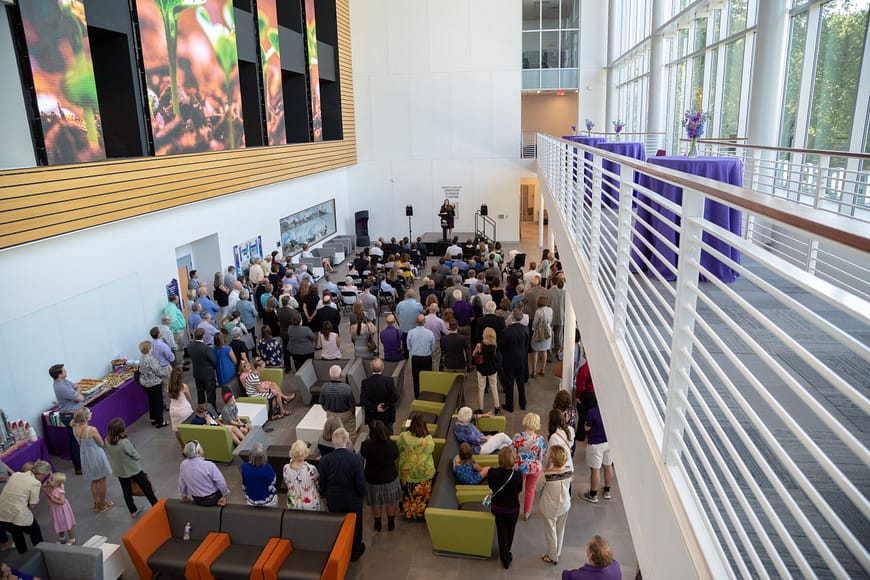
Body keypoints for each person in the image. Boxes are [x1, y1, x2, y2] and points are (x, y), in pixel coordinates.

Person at [318, 428, 366, 561]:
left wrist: (323, 494)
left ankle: (340, 550)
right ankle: (354, 551)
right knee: (355, 525)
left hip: (334, 498)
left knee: (338, 524)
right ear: (347, 441)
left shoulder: (325, 460)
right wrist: (361, 495)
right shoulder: (356, 459)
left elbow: (323, 481)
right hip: (353, 499)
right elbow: (360, 482)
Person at [105, 418, 159, 518]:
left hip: (120, 471)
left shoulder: (107, 441)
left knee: (126, 491)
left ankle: (133, 511)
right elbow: (136, 455)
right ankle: (156, 506)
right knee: (147, 487)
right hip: (133, 469)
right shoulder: (124, 442)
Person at [0, 461, 51, 554]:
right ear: (41, 474)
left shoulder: (16, 475)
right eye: (45, 475)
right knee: (35, 531)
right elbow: (32, 505)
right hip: (17, 512)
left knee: (16, 533)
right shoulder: (35, 483)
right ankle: (41, 551)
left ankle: (23, 553)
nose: (44, 477)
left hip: (2, 511)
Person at [359, 420, 401, 532]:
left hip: (373, 479)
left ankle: (377, 523)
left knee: (375, 502)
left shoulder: (366, 445)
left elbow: (363, 456)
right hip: (390, 477)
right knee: (391, 501)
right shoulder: (391, 445)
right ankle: (391, 522)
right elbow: (396, 456)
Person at [488, 447, 523, 569]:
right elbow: (519, 490)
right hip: (512, 509)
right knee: (510, 530)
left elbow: (491, 487)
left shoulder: (492, 473)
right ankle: (507, 551)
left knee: (501, 531)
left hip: (497, 508)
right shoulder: (518, 475)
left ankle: (504, 558)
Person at [72, 407, 113, 512]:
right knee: (102, 479)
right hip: (95, 454)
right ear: (86, 417)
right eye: (89, 413)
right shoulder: (92, 430)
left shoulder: (74, 427)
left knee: (94, 480)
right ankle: (103, 503)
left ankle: (96, 503)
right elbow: (101, 443)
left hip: (85, 455)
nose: (91, 413)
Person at [397, 414, 435, 520]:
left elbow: (399, 447)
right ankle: (421, 513)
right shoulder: (428, 440)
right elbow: (431, 450)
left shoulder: (403, 436)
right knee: (422, 496)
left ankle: (408, 512)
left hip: (407, 471)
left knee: (408, 494)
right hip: (424, 472)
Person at [540, 446, 573, 565]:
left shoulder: (546, 475)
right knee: (560, 529)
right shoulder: (569, 471)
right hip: (564, 505)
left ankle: (552, 556)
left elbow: (538, 488)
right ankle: (557, 552)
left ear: (552, 459)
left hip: (549, 507)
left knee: (550, 531)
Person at [49, 364, 83, 474]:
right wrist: (76, 398)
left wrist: (75, 397)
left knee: (77, 440)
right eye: (64, 370)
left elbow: (78, 386)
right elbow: (81, 397)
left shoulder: (64, 382)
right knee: (75, 441)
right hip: (70, 415)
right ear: (59, 374)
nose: (66, 371)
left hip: (74, 412)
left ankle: (81, 464)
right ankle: (78, 467)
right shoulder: (62, 387)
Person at [513, 412, 546, 520]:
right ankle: (527, 512)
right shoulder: (540, 439)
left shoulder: (517, 437)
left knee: (516, 489)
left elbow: (513, 453)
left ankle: (514, 508)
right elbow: (541, 456)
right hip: (535, 468)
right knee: (530, 489)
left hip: (520, 467)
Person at [178, 440, 229, 507]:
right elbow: (221, 482)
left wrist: (183, 495)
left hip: (196, 500)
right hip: (213, 499)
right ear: (198, 452)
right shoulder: (209, 465)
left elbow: (181, 482)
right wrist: (225, 495)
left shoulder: (183, 464)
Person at [581, 404, 613, 504]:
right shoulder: (612, 410)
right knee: (608, 466)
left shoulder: (593, 412)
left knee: (595, 470)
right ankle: (607, 491)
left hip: (595, 444)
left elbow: (587, 428)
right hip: (609, 442)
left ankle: (593, 494)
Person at [360, 358, 398, 433]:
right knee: (388, 435)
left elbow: (363, 400)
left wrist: (376, 407)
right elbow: (394, 397)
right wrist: (385, 406)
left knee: (374, 437)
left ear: (371, 368)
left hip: (372, 416)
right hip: (387, 415)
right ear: (382, 367)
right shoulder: (389, 381)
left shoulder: (366, 382)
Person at [138, 340, 170, 428]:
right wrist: (166, 374)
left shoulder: (142, 358)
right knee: (158, 402)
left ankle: (153, 419)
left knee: (151, 401)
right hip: (154, 383)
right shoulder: (151, 359)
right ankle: (160, 421)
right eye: (151, 347)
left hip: (145, 383)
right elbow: (158, 371)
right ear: (149, 349)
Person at [472, 327, 502, 414]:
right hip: (492, 369)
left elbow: (473, 355)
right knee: (494, 388)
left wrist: (477, 351)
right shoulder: (495, 347)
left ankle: (480, 409)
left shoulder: (479, 345)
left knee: (481, 389)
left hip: (482, 369)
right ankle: (497, 407)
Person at [284, 440, 321, 510]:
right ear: (305, 453)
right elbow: (317, 483)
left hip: (293, 502)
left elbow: (287, 482)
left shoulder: (286, 468)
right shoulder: (311, 469)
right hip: (310, 502)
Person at [319, 365, 356, 434]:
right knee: (350, 433)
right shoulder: (347, 388)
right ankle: (349, 444)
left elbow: (322, 403)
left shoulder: (324, 387)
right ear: (340, 375)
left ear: (330, 375)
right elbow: (352, 406)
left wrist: (328, 411)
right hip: (345, 414)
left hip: (330, 414)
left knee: (333, 433)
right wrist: (351, 415)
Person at [406, 314, 435, 399]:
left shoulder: (411, 333)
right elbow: (432, 347)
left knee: (416, 378)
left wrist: (413, 351)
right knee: (427, 378)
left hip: (415, 358)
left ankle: (417, 397)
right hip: (426, 358)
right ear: (424, 322)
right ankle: (426, 396)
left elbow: (408, 346)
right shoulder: (430, 333)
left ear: (416, 322)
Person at [43, 472, 75, 545]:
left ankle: (72, 539)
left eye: (51, 480)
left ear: (57, 483)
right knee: (58, 523)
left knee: (67, 523)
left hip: (62, 510)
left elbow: (62, 502)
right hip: (54, 510)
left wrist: (52, 499)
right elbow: (43, 486)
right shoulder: (49, 487)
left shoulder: (59, 490)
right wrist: (49, 479)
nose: (49, 480)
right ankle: (62, 539)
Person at [189, 327, 218, 407]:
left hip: (197, 373)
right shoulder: (206, 348)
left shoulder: (190, 347)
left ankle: (201, 410)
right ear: (203, 336)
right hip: (208, 374)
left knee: (200, 392)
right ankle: (212, 412)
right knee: (210, 394)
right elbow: (214, 361)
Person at [241, 443, 277, 507]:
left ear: (250, 455)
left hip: (251, 500)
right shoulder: (267, 468)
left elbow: (244, 483)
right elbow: (272, 481)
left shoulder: (244, 466)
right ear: (264, 456)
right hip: (267, 500)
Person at [167, 367, 194, 451]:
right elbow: (189, 398)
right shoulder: (184, 386)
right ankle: (192, 447)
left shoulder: (168, 386)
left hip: (174, 410)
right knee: (190, 429)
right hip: (184, 410)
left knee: (177, 430)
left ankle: (183, 448)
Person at [530, 295, 553, 376]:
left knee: (535, 351)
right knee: (544, 351)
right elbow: (550, 320)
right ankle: (542, 369)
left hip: (538, 333)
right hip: (547, 332)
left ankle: (534, 371)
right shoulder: (550, 310)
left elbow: (534, 323)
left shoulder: (538, 312)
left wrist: (533, 329)